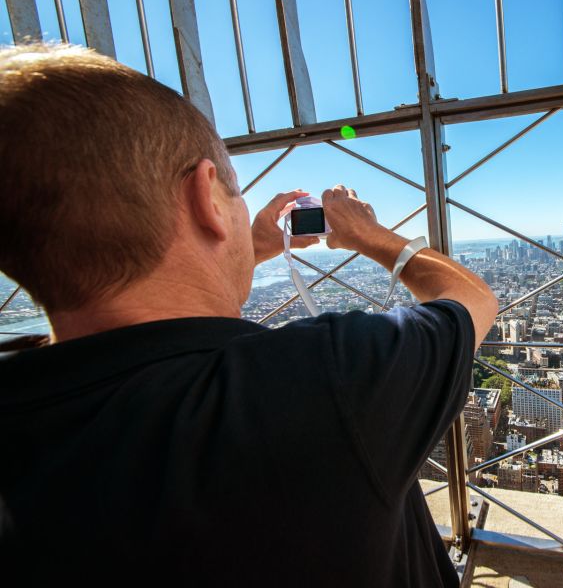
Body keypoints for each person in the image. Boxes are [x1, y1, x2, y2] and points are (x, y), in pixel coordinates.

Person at [0, 43, 498, 586]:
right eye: (233, 194)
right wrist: (368, 235)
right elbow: (472, 300)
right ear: (206, 196)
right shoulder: (326, 379)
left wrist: (241, 247)